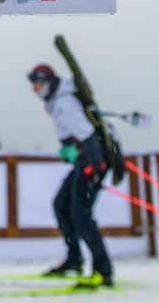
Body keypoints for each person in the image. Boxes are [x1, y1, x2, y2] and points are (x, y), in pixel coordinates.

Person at [27, 63, 114, 287]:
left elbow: (88, 135)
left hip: (93, 162)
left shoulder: (64, 102)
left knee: (81, 215)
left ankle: (103, 271)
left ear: (47, 83)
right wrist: (71, 152)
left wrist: (93, 166)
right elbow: (76, 135)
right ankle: (74, 259)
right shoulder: (57, 102)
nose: (34, 89)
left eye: (37, 85)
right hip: (84, 161)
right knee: (61, 205)